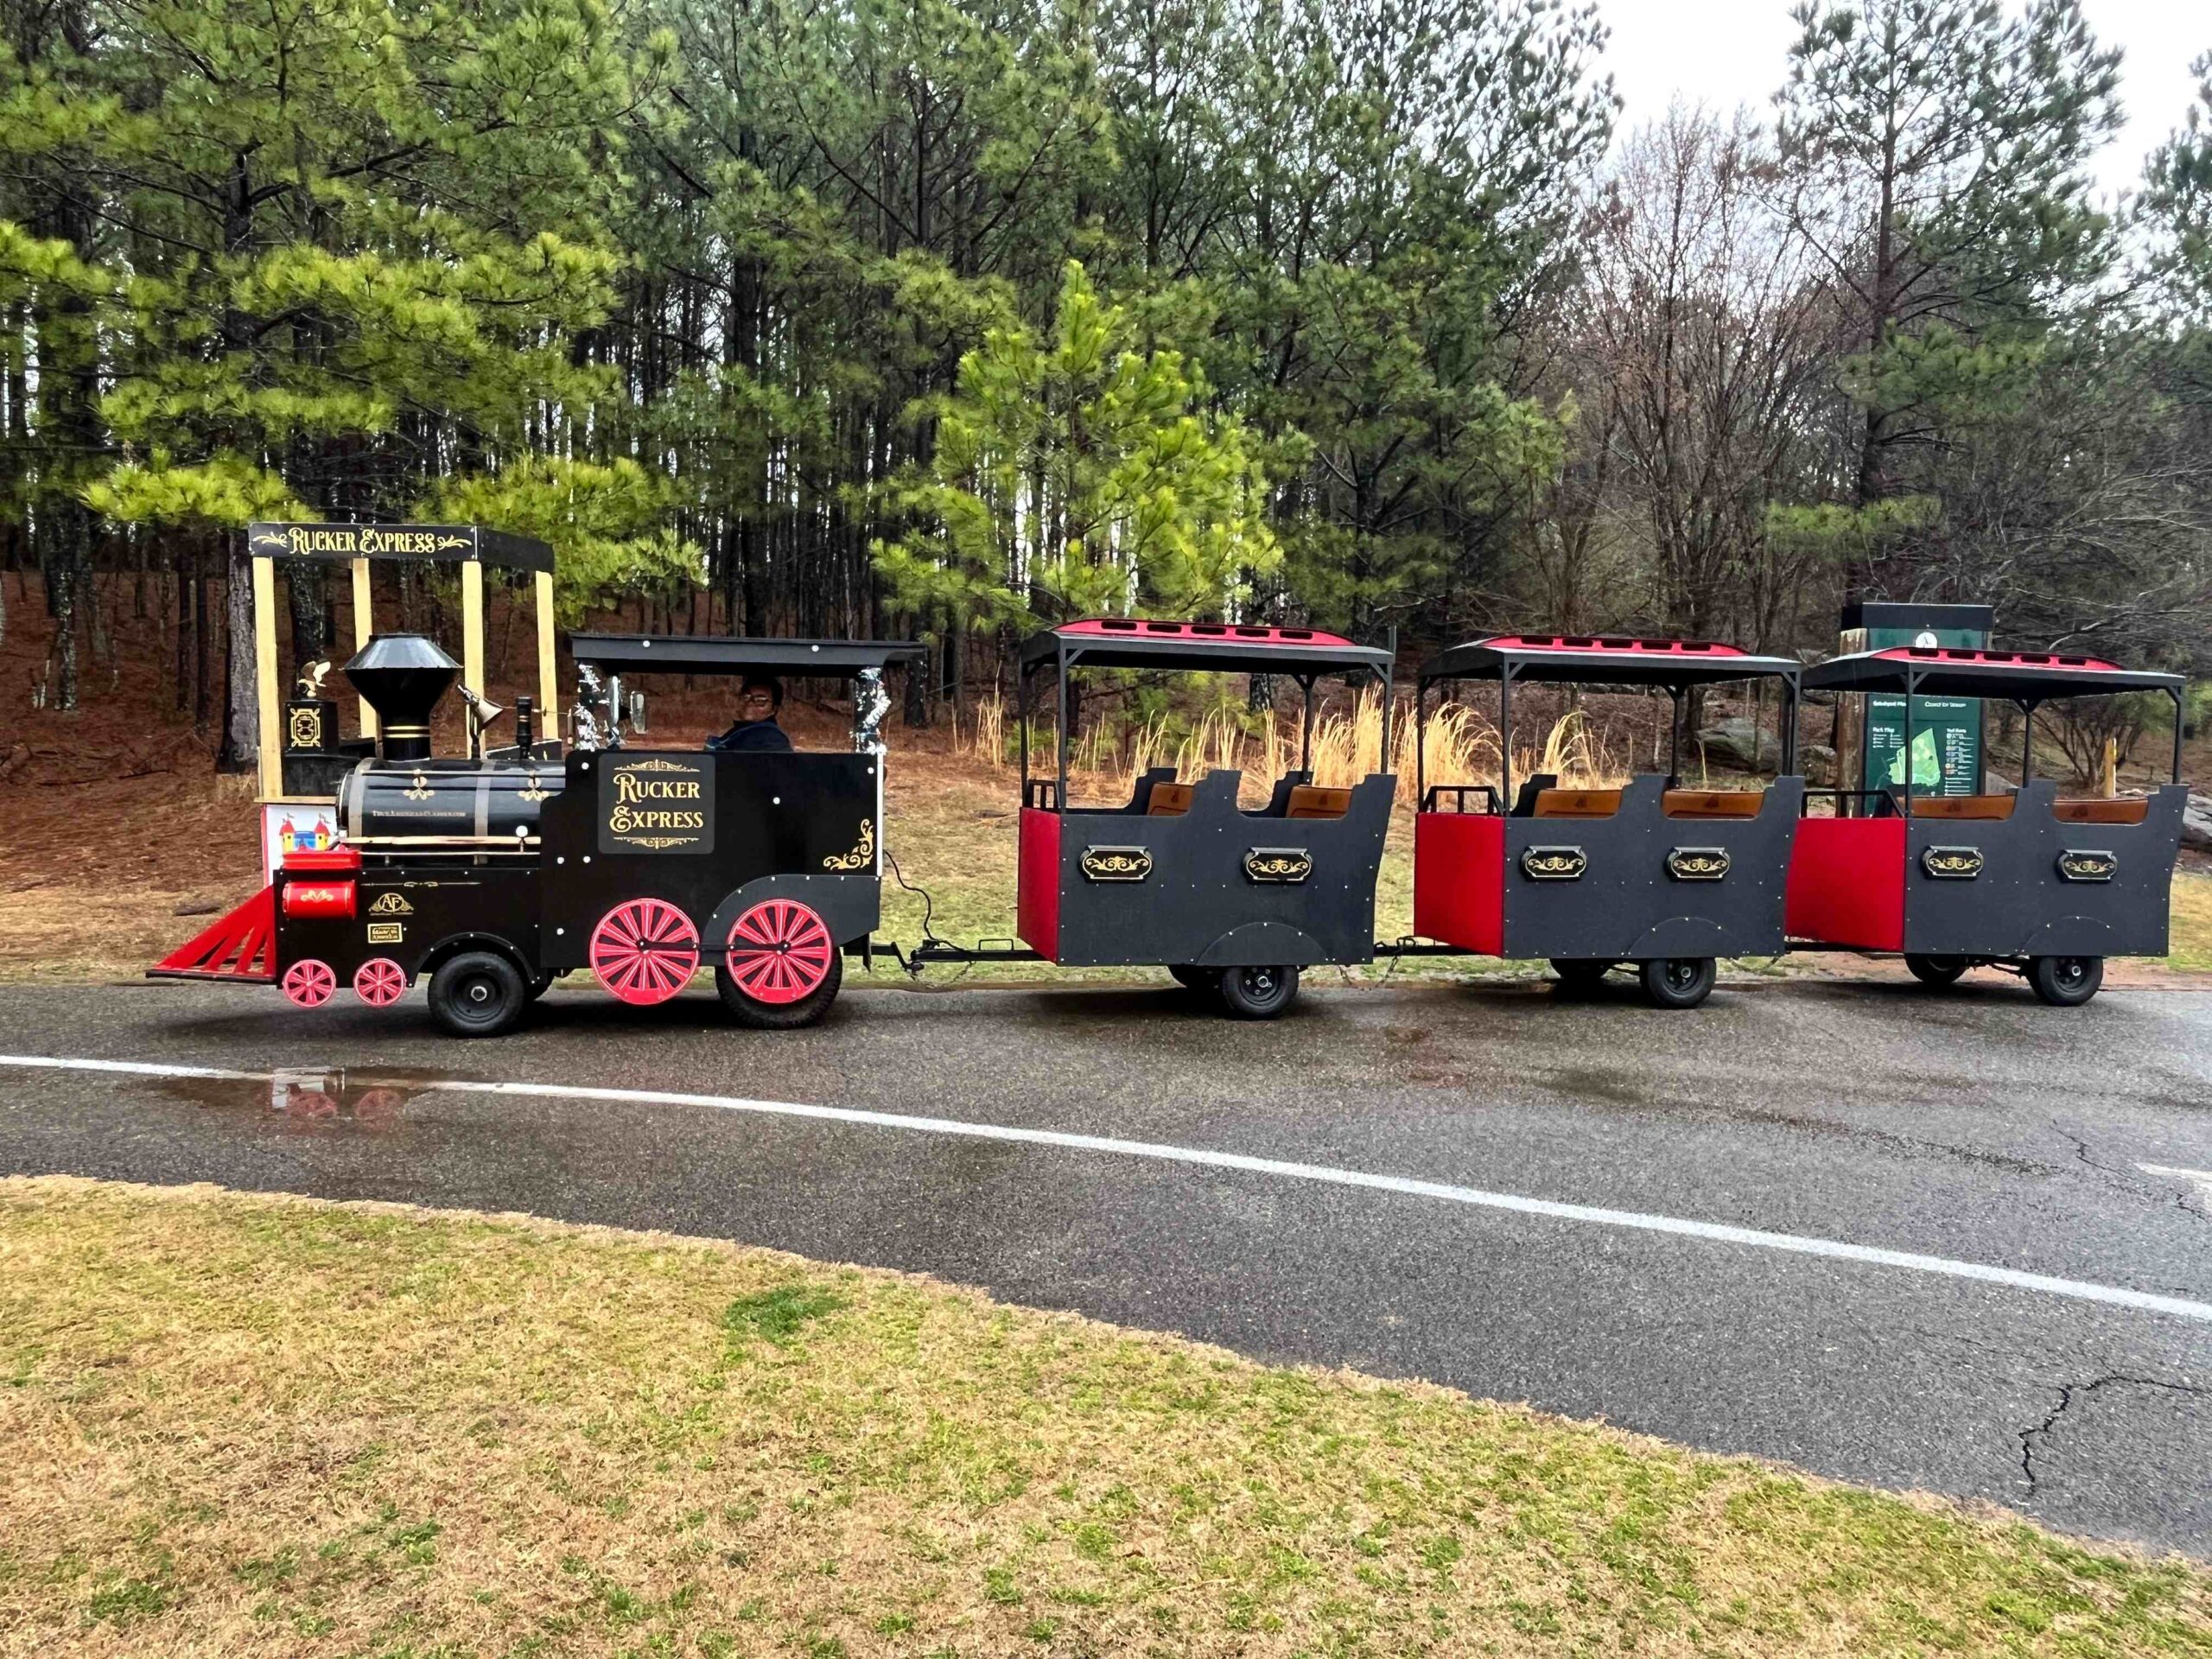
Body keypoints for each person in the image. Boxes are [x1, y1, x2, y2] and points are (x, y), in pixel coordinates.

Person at [707, 674, 795, 753]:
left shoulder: (771, 739)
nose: (750, 703)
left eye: (761, 700)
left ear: (774, 709)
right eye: (746, 697)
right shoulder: (744, 731)